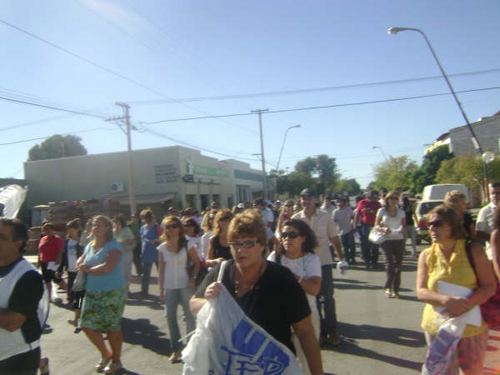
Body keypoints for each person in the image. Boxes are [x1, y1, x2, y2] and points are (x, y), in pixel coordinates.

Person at [190, 210, 324, 375]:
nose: (241, 250)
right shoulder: (221, 273)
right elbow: (193, 305)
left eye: (248, 243)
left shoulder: (283, 279)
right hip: (228, 367)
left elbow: (305, 332)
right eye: (235, 244)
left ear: (261, 245)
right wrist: (209, 301)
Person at [416, 205, 496, 374]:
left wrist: (466, 304)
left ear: (452, 225)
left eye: (437, 224)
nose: (432, 228)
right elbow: (421, 291)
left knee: (474, 371)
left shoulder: (473, 250)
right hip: (438, 328)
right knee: (443, 372)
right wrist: (446, 301)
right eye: (429, 225)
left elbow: (489, 286)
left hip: (471, 326)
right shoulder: (426, 255)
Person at [268, 219, 322, 375]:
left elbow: (314, 289)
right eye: (284, 235)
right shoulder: (274, 258)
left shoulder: (311, 260)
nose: (287, 239)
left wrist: (293, 277)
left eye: (293, 235)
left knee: (307, 364)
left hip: (306, 318)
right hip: (279, 319)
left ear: (303, 238)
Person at [292, 188, 343, 347]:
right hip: (304, 266)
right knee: (311, 301)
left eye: (308, 198)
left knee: (328, 298)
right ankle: (319, 332)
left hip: (324, 263)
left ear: (315, 199)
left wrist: (342, 258)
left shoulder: (325, 217)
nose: (305, 201)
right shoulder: (296, 219)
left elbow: (334, 238)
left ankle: (332, 331)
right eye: (302, 198)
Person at [77, 215, 126, 374]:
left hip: (112, 292)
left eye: (99, 224)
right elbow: (83, 258)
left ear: (107, 228)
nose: (95, 227)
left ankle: (116, 361)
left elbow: (108, 267)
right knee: (86, 325)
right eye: (94, 224)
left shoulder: (114, 246)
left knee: (112, 328)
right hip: (92, 291)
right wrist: (80, 263)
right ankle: (106, 354)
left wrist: (88, 269)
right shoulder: (89, 245)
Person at [0, 218, 47, 374]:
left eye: (1, 237)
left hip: (17, 358)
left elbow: (13, 322)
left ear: (18, 243)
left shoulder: (28, 277)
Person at [158, 216, 199, 364]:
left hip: (185, 284)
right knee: (170, 316)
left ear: (179, 228)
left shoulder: (188, 244)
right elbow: (161, 269)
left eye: (174, 226)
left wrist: (193, 278)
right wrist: (160, 289)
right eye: (168, 227)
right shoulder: (162, 248)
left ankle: (190, 348)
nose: (171, 229)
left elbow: (197, 263)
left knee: (189, 316)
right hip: (169, 286)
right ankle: (176, 349)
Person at [375, 190, 406, 298]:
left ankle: (396, 289)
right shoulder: (381, 211)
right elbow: (376, 225)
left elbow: (404, 226)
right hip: (386, 240)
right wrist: (383, 229)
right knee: (390, 266)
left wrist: (402, 229)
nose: (393, 200)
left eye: (395, 198)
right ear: (387, 200)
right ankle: (388, 287)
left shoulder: (401, 212)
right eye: (391, 198)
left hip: (399, 240)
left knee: (398, 266)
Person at [56, 219, 85, 331]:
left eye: (72, 230)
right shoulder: (68, 242)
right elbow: (64, 257)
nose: (71, 232)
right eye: (69, 230)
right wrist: (60, 269)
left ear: (78, 229)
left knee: (81, 295)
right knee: (76, 295)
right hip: (71, 271)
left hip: (81, 271)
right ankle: (77, 318)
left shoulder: (82, 241)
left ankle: (80, 318)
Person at [37, 222, 67, 302]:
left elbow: (60, 251)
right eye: (45, 229)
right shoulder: (43, 239)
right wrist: (38, 261)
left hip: (53, 262)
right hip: (44, 262)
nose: (47, 231)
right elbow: (40, 251)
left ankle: (69, 292)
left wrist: (58, 259)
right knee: (47, 280)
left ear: (52, 230)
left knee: (57, 279)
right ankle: (48, 297)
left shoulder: (57, 239)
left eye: (49, 229)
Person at [354, 190, 381, 269]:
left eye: (374, 197)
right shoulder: (362, 203)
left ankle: (374, 261)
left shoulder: (378, 204)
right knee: (366, 244)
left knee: (375, 244)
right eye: (371, 197)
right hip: (365, 225)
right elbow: (357, 214)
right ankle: (367, 260)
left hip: (375, 225)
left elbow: (380, 215)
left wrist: (373, 212)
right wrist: (355, 225)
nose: (372, 199)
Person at [139, 208, 162, 297]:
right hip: (146, 252)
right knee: (145, 273)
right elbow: (142, 239)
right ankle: (144, 291)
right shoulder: (143, 227)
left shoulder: (156, 226)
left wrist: (155, 240)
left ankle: (162, 290)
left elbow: (163, 237)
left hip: (156, 252)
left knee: (160, 272)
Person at [476, 181, 500, 258]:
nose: (495, 196)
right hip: (493, 254)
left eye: (498, 193)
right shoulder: (485, 211)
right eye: (492, 193)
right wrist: (494, 240)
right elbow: (479, 232)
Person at [113, 215, 135, 293]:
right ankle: (120, 288)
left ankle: (127, 288)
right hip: (117, 254)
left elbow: (132, 239)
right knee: (119, 271)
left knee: (127, 271)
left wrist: (123, 242)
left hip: (127, 252)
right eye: (115, 222)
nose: (116, 223)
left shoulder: (126, 230)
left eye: (118, 222)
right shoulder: (114, 231)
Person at [333, 197, 355, 264]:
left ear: (344, 203)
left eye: (341, 202)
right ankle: (347, 258)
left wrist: (353, 225)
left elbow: (353, 217)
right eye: (338, 202)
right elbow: (334, 221)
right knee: (344, 246)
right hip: (341, 231)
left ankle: (352, 257)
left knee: (351, 245)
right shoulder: (336, 211)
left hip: (349, 230)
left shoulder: (349, 209)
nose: (340, 203)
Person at [128, 213, 143, 277]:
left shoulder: (141, 225)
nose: (133, 219)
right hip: (133, 244)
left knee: (140, 258)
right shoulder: (130, 226)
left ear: (137, 218)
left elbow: (143, 233)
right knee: (135, 259)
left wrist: (136, 236)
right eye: (132, 217)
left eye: (134, 217)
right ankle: (139, 272)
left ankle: (141, 270)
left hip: (140, 243)